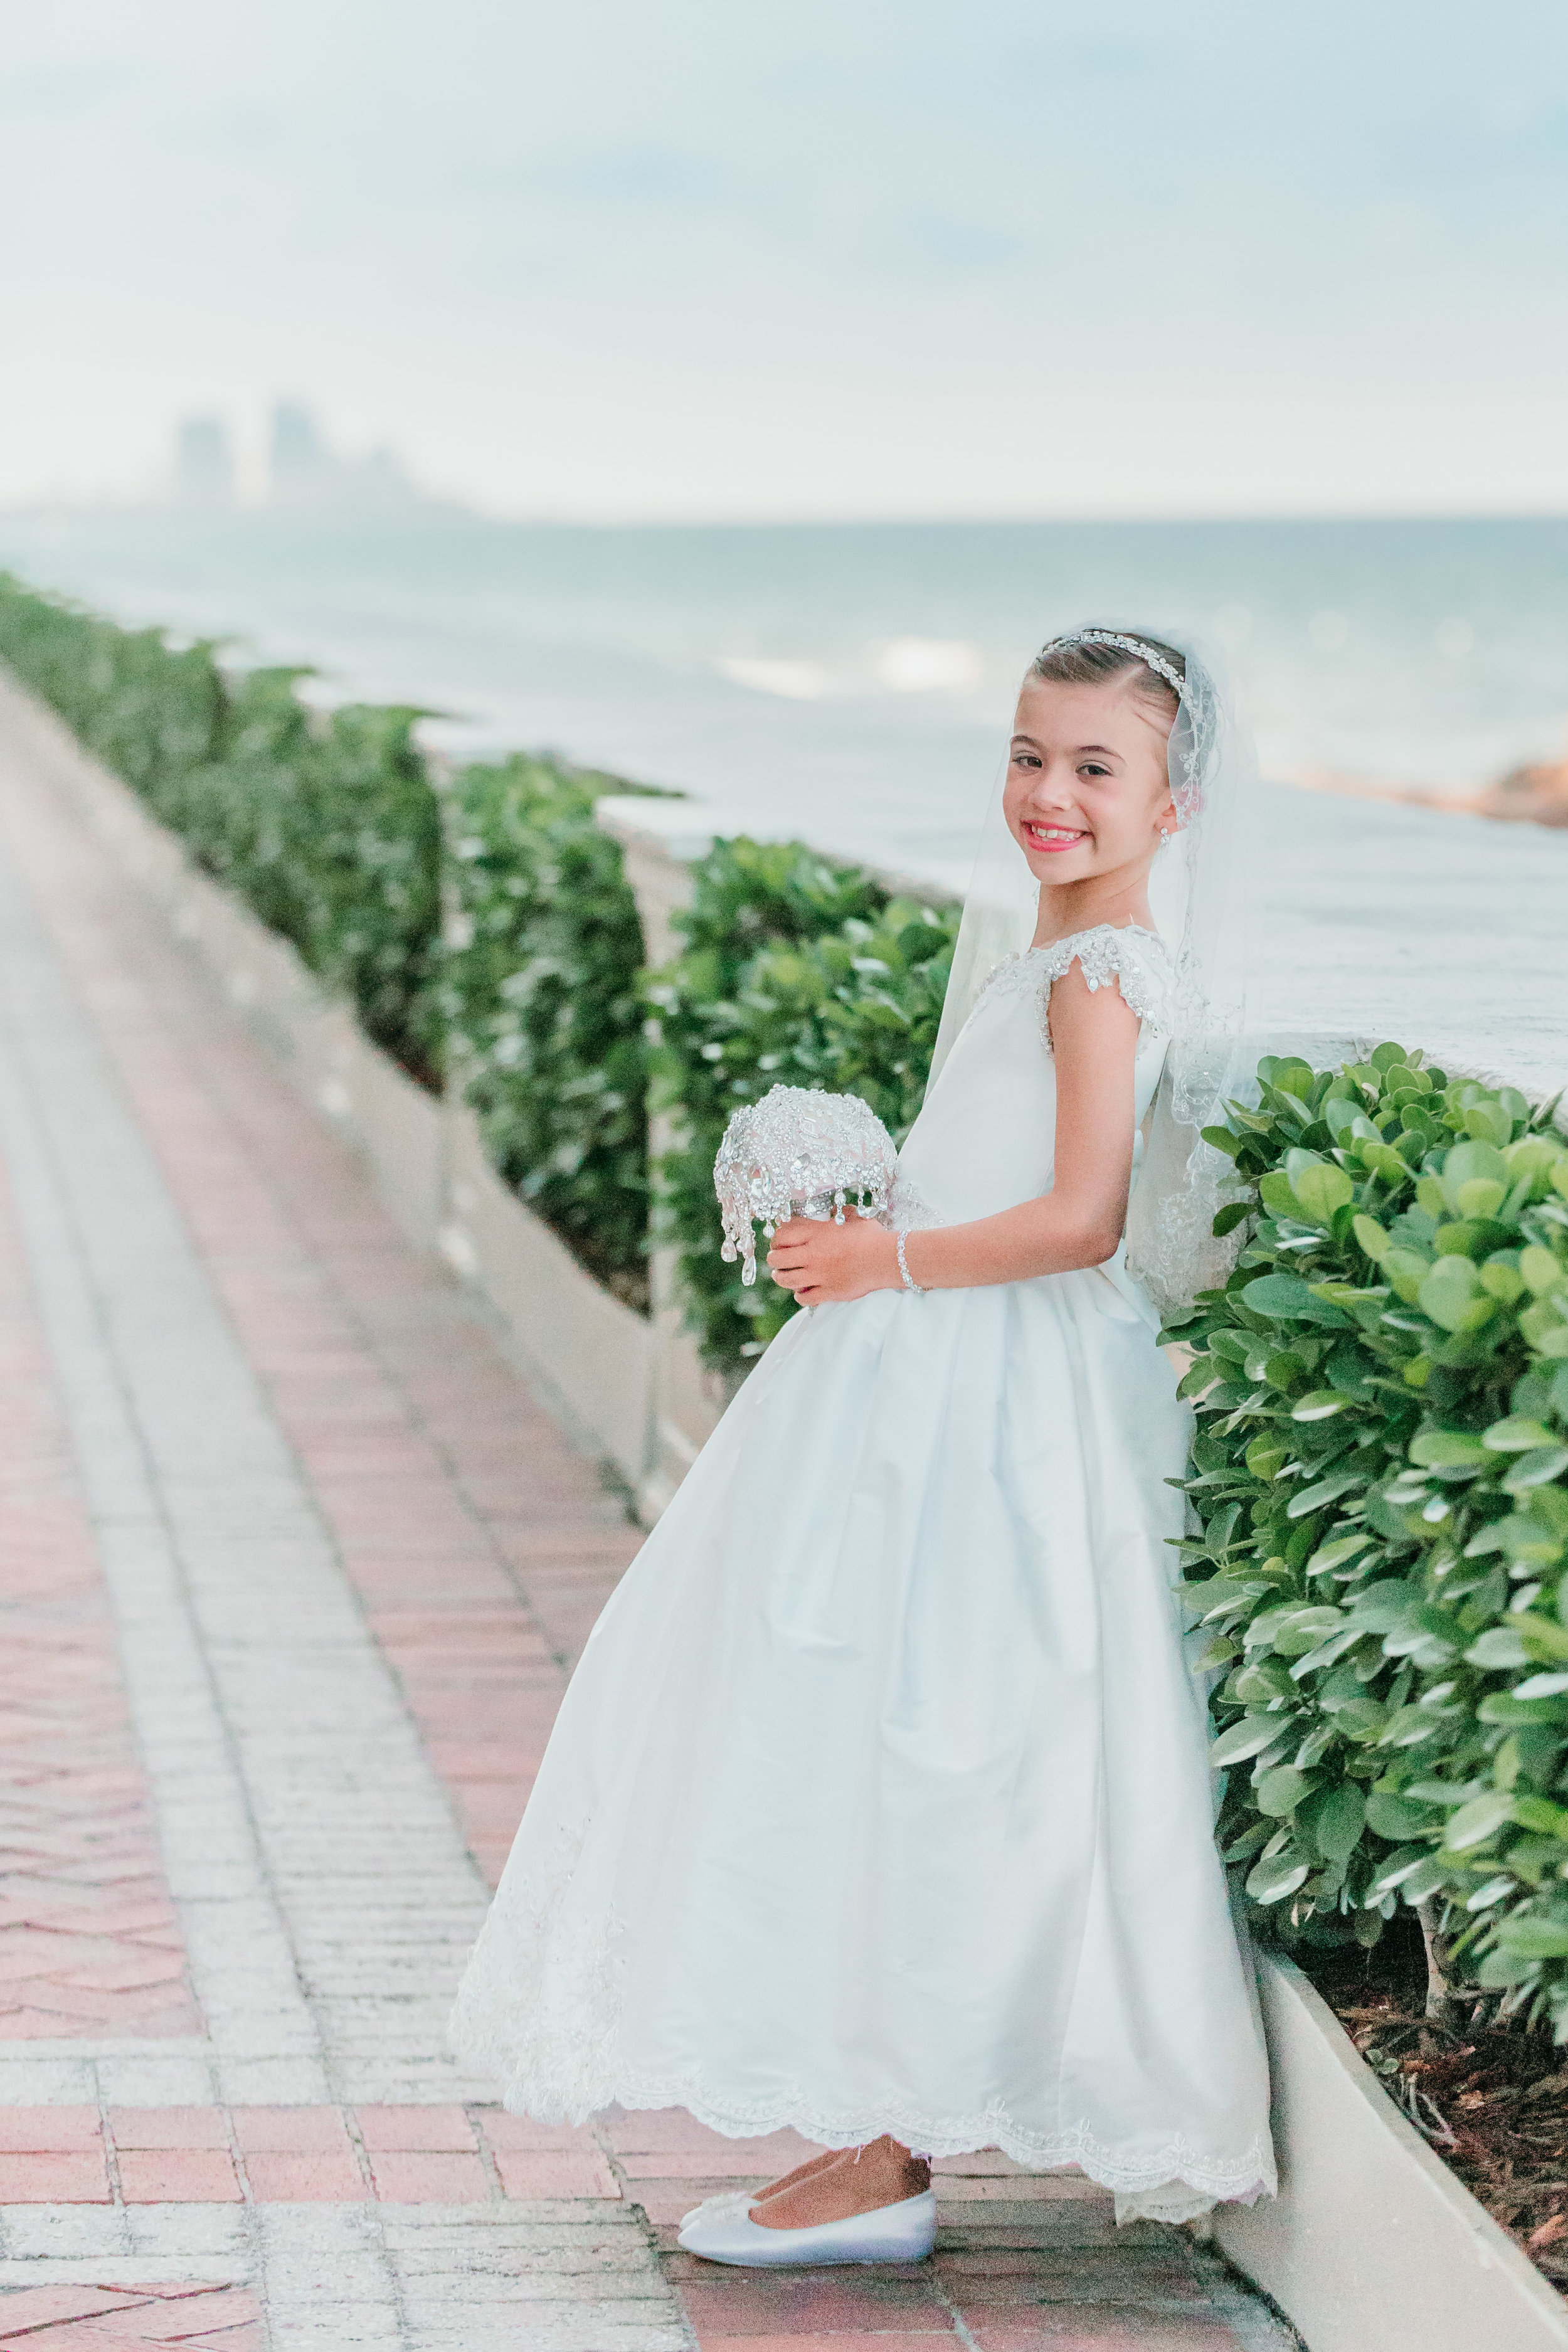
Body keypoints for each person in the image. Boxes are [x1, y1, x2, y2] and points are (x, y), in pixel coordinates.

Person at [448, 626, 1275, 2267]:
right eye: (1030, 755)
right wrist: (871, 1195)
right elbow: (999, 1173)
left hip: (997, 1415)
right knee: (871, 1736)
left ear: (1174, 803)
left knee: (932, 1736)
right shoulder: (1049, 957)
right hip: (936, 1384)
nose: (1049, 793)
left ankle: (885, 2147)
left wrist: (883, 1261)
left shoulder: (1103, 975)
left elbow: (1084, 1219)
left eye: (1094, 767)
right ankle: (867, 2134)